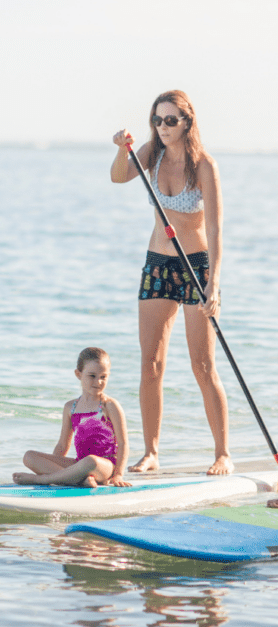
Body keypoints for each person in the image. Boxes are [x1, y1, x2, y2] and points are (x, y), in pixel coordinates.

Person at [111, 89, 232, 476]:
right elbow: (118, 177)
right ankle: (151, 452)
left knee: (202, 364)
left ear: (187, 122)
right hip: (157, 265)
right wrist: (121, 149)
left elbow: (214, 228)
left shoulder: (205, 166)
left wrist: (214, 284)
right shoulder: (151, 152)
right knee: (151, 364)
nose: (162, 127)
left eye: (170, 120)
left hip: (196, 266)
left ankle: (222, 454)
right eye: (157, 119)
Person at [13, 347, 130, 488]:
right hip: (79, 465)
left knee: (90, 461)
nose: (98, 382)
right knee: (29, 456)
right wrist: (49, 464)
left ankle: (43, 479)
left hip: (103, 466)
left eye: (103, 377)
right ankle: (80, 480)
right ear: (78, 374)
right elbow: (62, 445)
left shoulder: (109, 405)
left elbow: (123, 443)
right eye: (92, 376)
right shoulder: (70, 408)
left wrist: (118, 474)